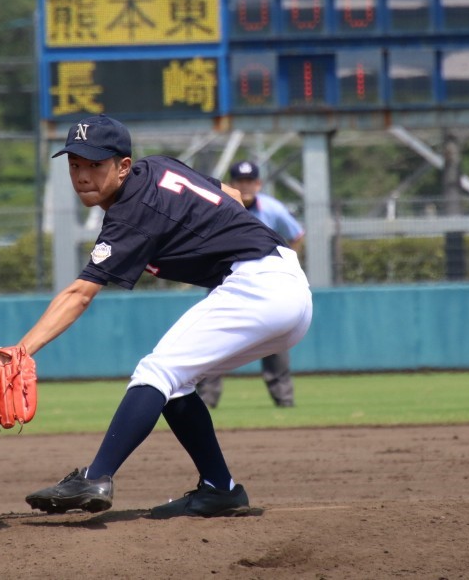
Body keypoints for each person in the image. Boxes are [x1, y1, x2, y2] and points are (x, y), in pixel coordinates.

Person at [17, 114, 312, 518]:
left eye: (95, 164)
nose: (83, 176)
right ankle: (219, 488)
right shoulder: (159, 167)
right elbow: (233, 195)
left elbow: (79, 295)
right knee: (175, 381)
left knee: (155, 372)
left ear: (123, 166)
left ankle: (96, 476)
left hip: (258, 284)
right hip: (286, 286)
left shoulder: (129, 214)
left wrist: (20, 351)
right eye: (75, 165)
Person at [196, 160, 305, 408]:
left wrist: (287, 263)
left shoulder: (272, 209)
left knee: (276, 341)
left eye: (249, 181)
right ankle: (206, 400)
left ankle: (284, 402)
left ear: (258, 184)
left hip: (267, 284)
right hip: (226, 281)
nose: (244, 186)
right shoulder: (217, 207)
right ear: (231, 184)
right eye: (239, 181)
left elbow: (297, 234)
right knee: (211, 339)